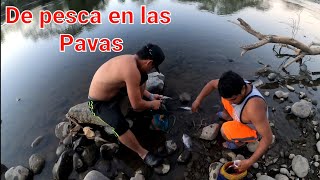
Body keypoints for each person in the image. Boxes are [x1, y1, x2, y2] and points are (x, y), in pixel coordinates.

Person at [88, 43, 165, 167]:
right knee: (119, 125)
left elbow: (133, 82)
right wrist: (152, 104)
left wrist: (150, 96)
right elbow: (136, 105)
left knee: (143, 76)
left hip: (114, 92)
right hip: (99, 102)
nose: (151, 70)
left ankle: (141, 107)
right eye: (153, 67)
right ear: (149, 63)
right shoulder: (131, 70)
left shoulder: (132, 60)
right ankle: (143, 154)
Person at [191, 71, 273, 172]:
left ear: (243, 89)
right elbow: (212, 84)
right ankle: (229, 116)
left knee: (224, 130)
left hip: (252, 127)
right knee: (225, 98)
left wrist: (249, 162)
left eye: (233, 99)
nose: (231, 102)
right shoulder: (234, 84)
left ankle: (239, 143)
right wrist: (198, 100)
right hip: (243, 115)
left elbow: (268, 138)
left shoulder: (254, 108)